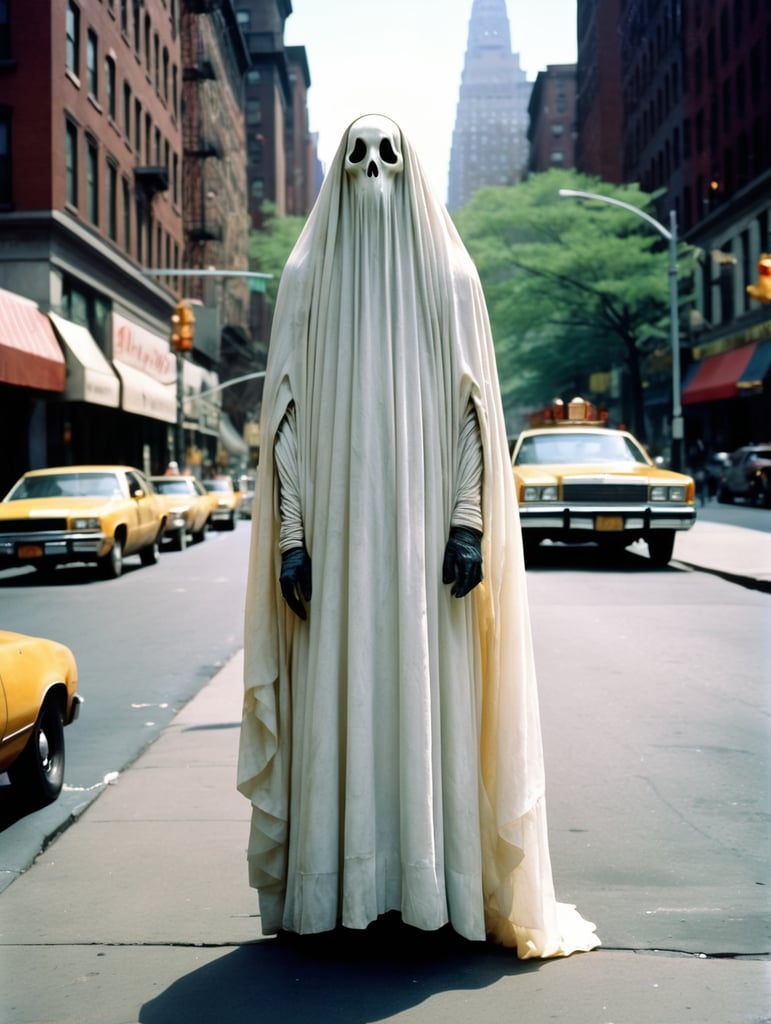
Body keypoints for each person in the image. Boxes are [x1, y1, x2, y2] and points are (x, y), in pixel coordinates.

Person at [237, 114, 600, 959]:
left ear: (410, 170)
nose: (371, 171)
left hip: (430, 552)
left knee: (427, 697)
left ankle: (433, 886)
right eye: (357, 155)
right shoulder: (306, 274)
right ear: (339, 168)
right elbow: (282, 419)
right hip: (334, 545)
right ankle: (339, 890)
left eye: (386, 156)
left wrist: (467, 524)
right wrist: (292, 536)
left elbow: (477, 415)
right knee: (342, 694)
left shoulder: (450, 275)